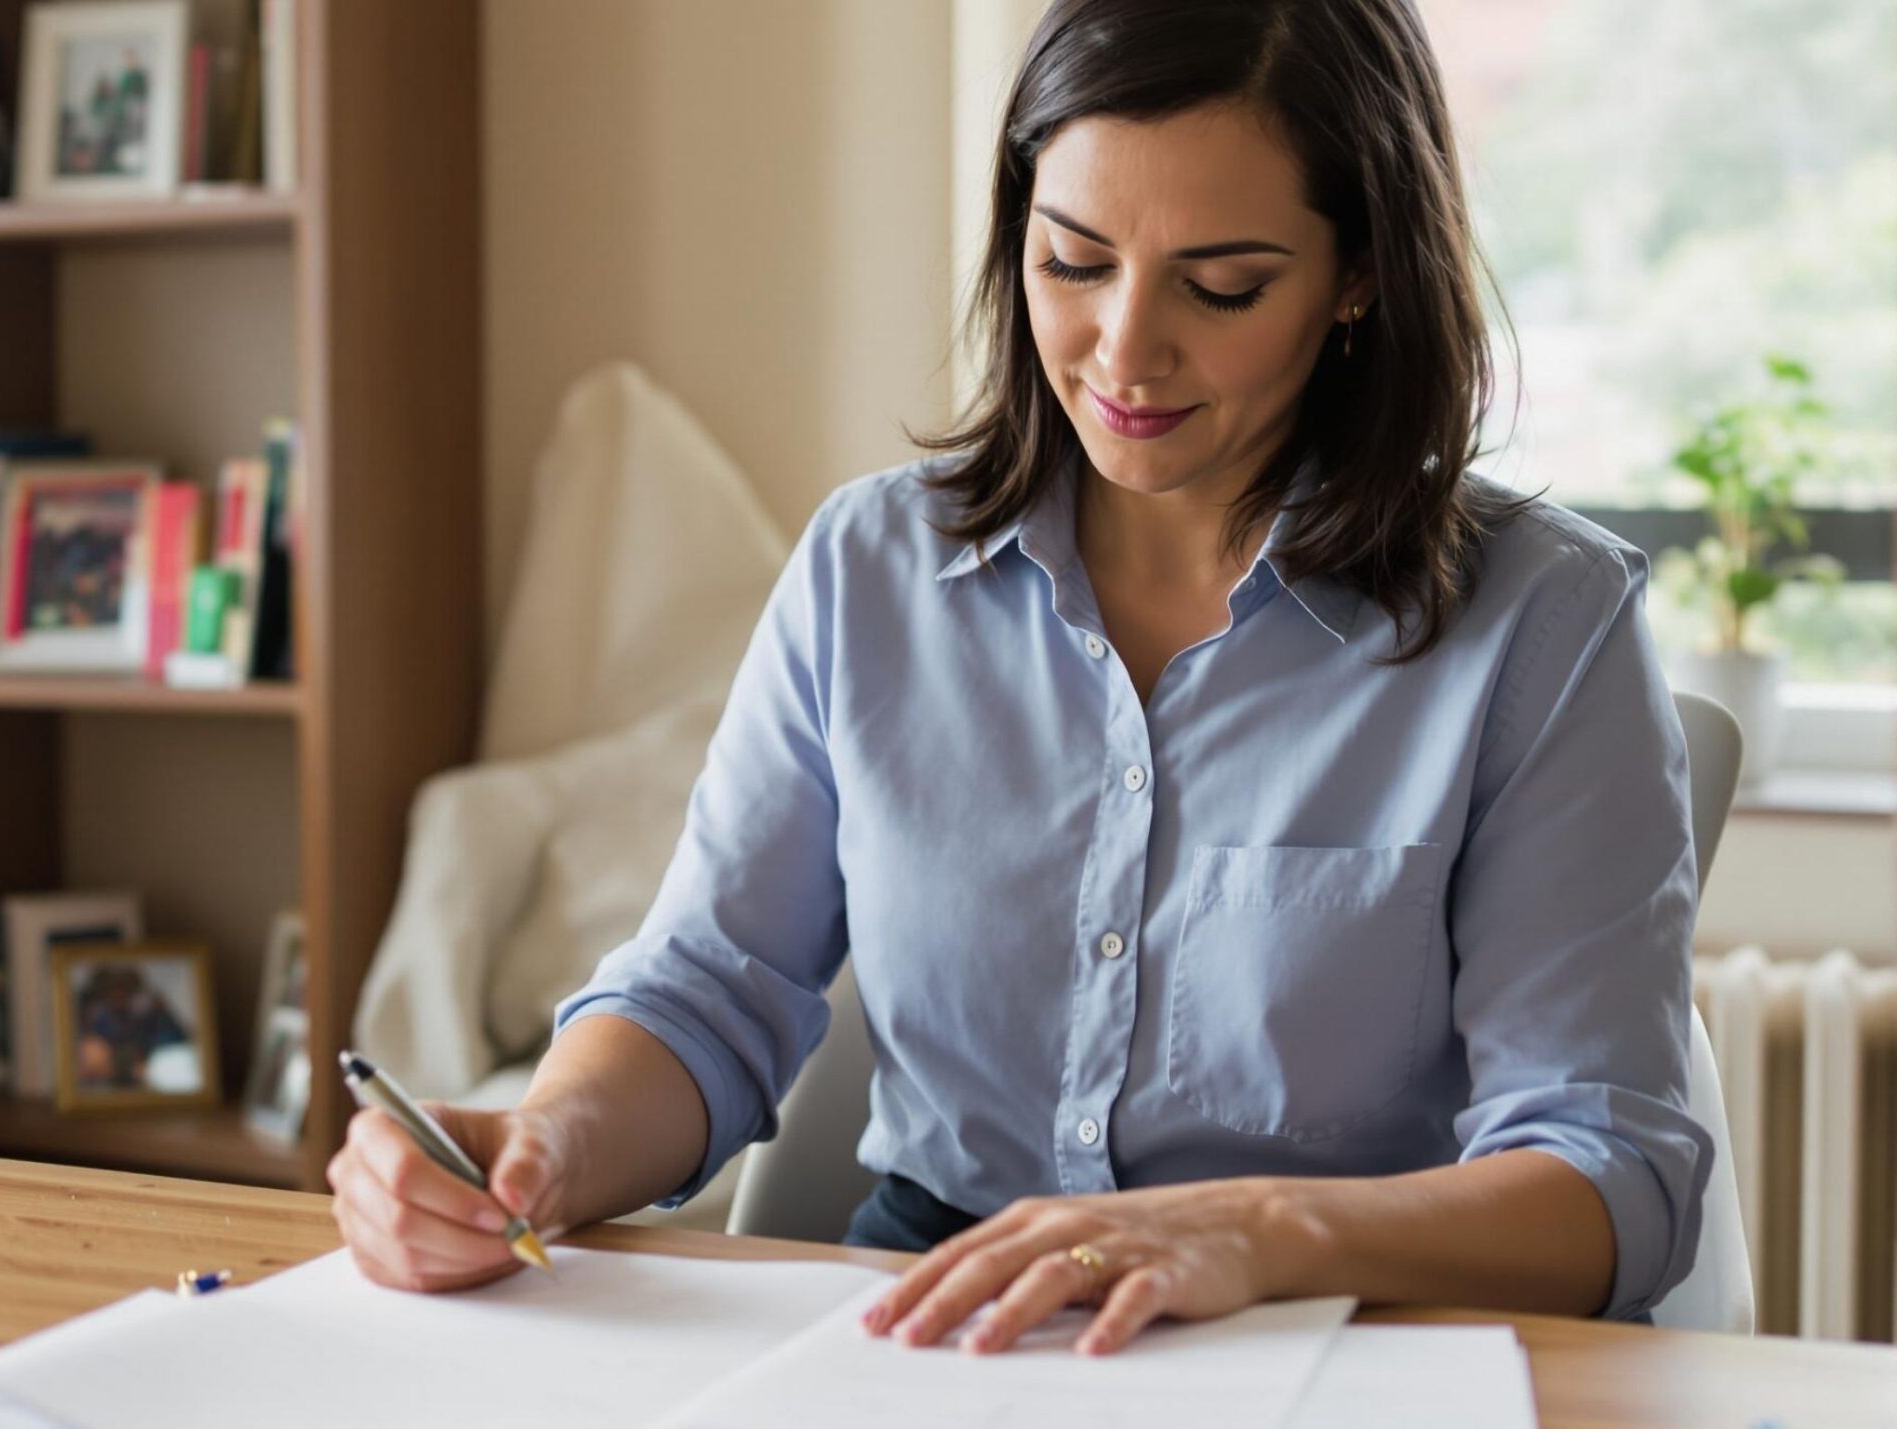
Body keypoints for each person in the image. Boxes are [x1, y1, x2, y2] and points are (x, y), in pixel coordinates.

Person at [331, 0, 1710, 1357]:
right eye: (1074, 260)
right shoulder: (869, 568)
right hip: (936, 1333)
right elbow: (710, 989)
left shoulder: (1545, 623)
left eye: (1221, 286)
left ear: (1361, 274)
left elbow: (1607, 1176)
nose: (1124, 351)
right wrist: (535, 1143)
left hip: (1342, 1340)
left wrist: (1267, 1229)